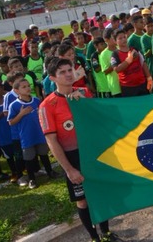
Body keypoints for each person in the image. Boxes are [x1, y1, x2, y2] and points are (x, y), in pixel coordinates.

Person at [39, 58, 119, 242]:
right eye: (62, 72)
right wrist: (69, 170)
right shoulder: (47, 106)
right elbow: (51, 141)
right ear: (52, 78)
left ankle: (106, 232)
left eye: (70, 70)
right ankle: (94, 238)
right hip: (72, 156)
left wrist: (82, 104)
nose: (68, 74)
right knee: (83, 200)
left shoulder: (84, 93)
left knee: (100, 193)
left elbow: (99, 120)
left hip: (93, 153)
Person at [7, 78, 57, 188]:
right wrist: (22, 114)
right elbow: (11, 122)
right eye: (24, 87)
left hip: (39, 133)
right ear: (17, 90)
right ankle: (32, 179)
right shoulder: (14, 105)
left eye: (28, 85)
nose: (28, 88)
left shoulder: (36, 101)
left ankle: (50, 172)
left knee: (44, 154)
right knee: (29, 158)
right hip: (26, 136)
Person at [111, 29, 153, 97]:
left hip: (142, 84)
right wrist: (129, 60)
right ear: (115, 41)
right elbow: (117, 69)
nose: (123, 39)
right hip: (128, 87)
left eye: (124, 37)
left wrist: (149, 78)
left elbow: (143, 63)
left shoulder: (134, 49)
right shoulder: (115, 54)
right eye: (120, 38)